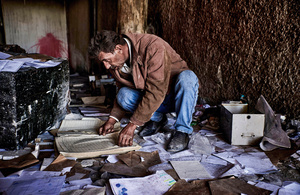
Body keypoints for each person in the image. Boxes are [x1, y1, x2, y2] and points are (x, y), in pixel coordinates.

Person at [89, 30, 199, 153]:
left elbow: (156, 91)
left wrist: (132, 124)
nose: (106, 66)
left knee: (187, 77)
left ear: (118, 49)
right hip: (154, 102)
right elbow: (121, 88)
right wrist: (112, 120)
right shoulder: (116, 64)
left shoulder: (153, 46)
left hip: (175, 98)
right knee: (123, 95)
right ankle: (157, 119)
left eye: (107, 60)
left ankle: (182, 131)